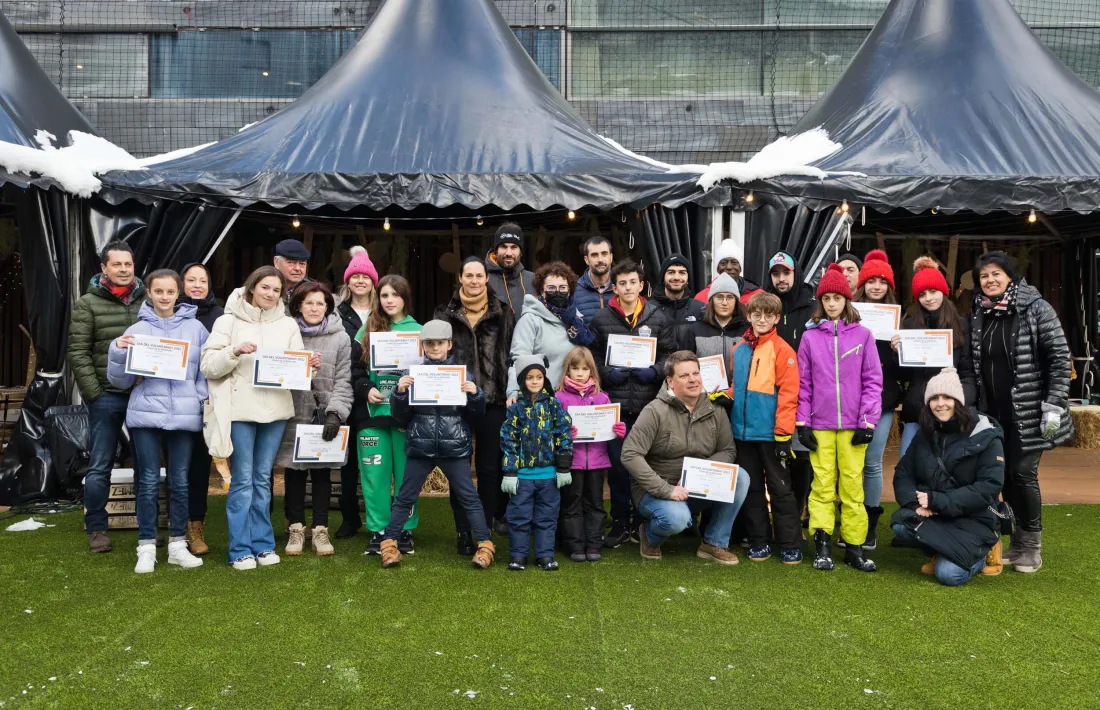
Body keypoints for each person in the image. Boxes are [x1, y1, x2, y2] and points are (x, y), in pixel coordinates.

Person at [202, 266, 317, 570]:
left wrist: (310, 367)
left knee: (263, 479)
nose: (270, 294)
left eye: (276, 290)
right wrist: (234, 351)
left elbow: (295, 372)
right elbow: (208, 366)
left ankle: (263, 544)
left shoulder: (288, 325)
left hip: (276, 412)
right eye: (265, 287)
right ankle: (239, 548)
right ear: (252, 286)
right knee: (242, 480)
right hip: (240, 411)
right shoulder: (228, 321)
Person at [968, 251, 1073, 573]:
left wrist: (1054, 404)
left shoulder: (1036, 309)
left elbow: (1059, 358)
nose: (990, 280)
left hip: (1030, 412)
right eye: (984, 276)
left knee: (1023, 475)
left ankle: (1032, 546)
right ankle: (1016, 542)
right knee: (1006, 476)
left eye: (996, 274)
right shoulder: (978, 312)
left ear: (1010, 276)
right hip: (994, 413)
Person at [106, 269, 207, 573]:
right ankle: (146, 545)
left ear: (179, 293)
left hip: (184, 415)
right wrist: (118, 351)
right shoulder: (137, 329)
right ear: (148, 292)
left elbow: (205, 372)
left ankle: (177, 544)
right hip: (145, 414)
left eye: (170, 292)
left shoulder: (196, 329)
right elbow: (120, 381)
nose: (165, 297)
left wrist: (198, 396)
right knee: (148, 481)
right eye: (158, 291)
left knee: (180, 481)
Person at [379, 320, 496, 569]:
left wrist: (475, 394)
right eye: (429, 343)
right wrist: (399, 393)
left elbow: (476, 415)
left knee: (469, 497)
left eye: (439, 343)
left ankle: (485, 544)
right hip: (420, 445)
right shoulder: (411, 374)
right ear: (423, 346)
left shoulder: (463, 374)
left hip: (454, 446)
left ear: (449, 345)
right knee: (404, 497)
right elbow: (400, 416)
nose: (434, 348)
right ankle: (389, 544)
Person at [621, 351, 750, 564]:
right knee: (676, 519)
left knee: (740, 477)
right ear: (670, 382)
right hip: (655, 488)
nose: (693, 380)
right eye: (684, 376)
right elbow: (630, 454)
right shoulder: (654, 410)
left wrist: (698, 473)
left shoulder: (715, 408)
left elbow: (728, 451)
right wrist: (666, 489)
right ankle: (650, 536)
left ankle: (713, 542)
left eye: (696, 373)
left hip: (693, 486)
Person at [796, 264, 881, 573]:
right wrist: (802, 422)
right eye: (826, 298)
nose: (832, 303)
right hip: (820, 425)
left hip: (853, 427)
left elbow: (873, 381)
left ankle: (854, 547)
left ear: (847, 300)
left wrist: (868, 422)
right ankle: (822, 543)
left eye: (837, 297)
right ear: (820, 301)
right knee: (821, 486)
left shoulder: (863, 335)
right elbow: (803, 383)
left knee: (852, 486)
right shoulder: (809, 338)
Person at [891, 368, 1006, 586]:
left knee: (949, 575)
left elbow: (989, 486)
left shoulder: (986, 434)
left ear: (959, 401)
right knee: (901, 525)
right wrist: (915, 504)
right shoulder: (926, 433)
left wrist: (937, 501)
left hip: (974, 517)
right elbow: (903, 473)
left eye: (947, 397)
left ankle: (985, 551)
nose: (940, 403)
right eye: (934, 398)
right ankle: (944, 548)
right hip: (936, 513)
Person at [590, 259, 677, 548]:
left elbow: (669, 355)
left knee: (644, 466)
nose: (628, 287)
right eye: (622, 283)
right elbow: (591, 357)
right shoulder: (602, 318)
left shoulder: (658, 316)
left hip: (647, 406)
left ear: (642, 285)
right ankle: (619, 523)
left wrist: (654, 371)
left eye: (633, 282)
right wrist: (605, 373)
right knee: (616, 466)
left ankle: (641, 521)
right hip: (614, 406)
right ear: (614, 287)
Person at [67, 240, 147, 554]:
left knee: (145, 464)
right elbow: (77, 352)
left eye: (128, 264)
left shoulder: (148, 300)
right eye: (117, 265)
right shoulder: (88, 303)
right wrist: (95, 394)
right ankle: (97, 527)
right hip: (106, 397)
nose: (124, 270)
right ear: (104, 268)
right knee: (101, 464)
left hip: (143, 395)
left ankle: (147, 524)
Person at [435, 257, 516, 552]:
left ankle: (483, 529)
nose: (473, 280)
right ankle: (463, 531)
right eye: (467, 275)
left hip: (493, 400)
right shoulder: (444, 313)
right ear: (460, 277)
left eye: (478, 275)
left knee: (489, 468)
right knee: (459, 468)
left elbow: (510, 354)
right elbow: (435, 355)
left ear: (486, 279)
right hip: (455, 402)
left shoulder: (503, 313)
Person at [274, 283, 354, 557]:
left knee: (322, 474)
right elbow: (276, 372)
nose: (314, 308)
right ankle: (295, 528)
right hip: (291, 412)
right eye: (308, 303)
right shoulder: (285, 333)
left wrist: (336, 413)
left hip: (323, 415)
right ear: (298, 306)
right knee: (294, 473)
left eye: (320, 303)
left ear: (328, 308)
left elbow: (344, 380)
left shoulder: (341, 338)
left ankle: (320, 529)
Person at [728, 291, 802, 564]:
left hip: (772, 435)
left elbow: (789, 395)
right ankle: (759, 541)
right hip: (742, 433)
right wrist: (723, 394)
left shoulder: (784, 351)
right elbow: (737, 387)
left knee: (781, 488)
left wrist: (784, 434)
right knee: (752, 489)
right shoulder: (738, 350)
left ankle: (790, 544)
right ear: (748, 316)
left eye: (768, 315)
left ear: (777, 318)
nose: (761, 319)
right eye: (756, 314)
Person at [354, 275, 421, 554]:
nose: (389, 300)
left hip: (406, 417)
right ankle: (379, 530)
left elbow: (429, 370)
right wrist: (366, 388)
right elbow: (354, 370)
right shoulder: (367, 328)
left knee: (407, 476)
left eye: (395, 295)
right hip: (373, 416)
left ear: (405, 298)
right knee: (375, 476)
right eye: (384, 295)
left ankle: (403, 531)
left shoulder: (418, 330)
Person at [893, 257, 977, 457]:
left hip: (951, 412)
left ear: (944, 292)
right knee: (908, 464)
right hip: (917, 411)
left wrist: (958, 399)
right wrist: (897, 353)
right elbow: (904, 377)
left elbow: (968, 372)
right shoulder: (908, 326)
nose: (929, 298)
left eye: (933, 291)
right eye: (922, 294)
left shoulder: (962, 326)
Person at [849, 250, 904, 550]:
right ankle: (849, 520)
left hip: (882, 401)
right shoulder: (848, 315)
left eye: (883, 281)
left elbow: (905, 370)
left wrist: (900, 351)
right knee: (848, 463)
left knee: (871, 462)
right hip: (848, 399)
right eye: (871, 280)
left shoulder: (900, 319)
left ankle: (869, 524)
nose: (877, 286)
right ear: (863, 283)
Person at [500, 355, 574, 571]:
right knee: (519, 517)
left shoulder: (553, 405)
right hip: (522, 478)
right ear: (522, 380)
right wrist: (510, 472)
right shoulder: (516, 408)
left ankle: (544, 555)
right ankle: (518, 556)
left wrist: (563, 467)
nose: (534, 381)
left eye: (539, 377)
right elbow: (508, 440)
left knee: (547, 517)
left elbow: (564, 434)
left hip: (549, 476)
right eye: (530, 377)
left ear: (544, 379)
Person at [554, 346, 626, 563]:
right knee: (572, 503)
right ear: (567, 370)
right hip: (572, 462)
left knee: (595, 502)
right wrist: (564, 433)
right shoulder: (559, 397)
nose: (579, 373)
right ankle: (575, 545)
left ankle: (593, 543)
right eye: (575, 368)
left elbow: (609, 427)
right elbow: (552, 429)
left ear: (592, 372)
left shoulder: (602, 398)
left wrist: (618, 431)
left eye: (584, 369)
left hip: (596, 461)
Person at [764, 250, 816, 527]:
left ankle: (797, 516)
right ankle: (777, 516)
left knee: (800, 458)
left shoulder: (812, 305)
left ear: (796, 274)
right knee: (773, 457)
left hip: (803, 393)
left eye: (786, 273)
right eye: (776, 273)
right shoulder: (765, 303)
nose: (781, 278)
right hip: (769, 391)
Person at [333, 246, 380, 539]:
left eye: (365, 276)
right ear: (348, 282)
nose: (360, 281)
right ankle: (350, 517)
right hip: (344, 390)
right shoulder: (338, 313)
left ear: (373, 282)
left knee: (374, 456)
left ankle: (381, 514)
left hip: (376, 392)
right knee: (347, 460)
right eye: (355, 276)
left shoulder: (383, 310)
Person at [178, 263, 224, 556]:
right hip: (172, 404)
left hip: (207, 404)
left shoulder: (220, 317)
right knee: (176, 469)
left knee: (198, 469)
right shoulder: (168, 313)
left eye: (202, 280)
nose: (197, 285)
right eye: (191, 280)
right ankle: (172, 527)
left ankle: (196, 526)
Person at [506, 261, 594, 403]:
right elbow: (519, 358)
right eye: (551, 288)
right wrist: (513, 391)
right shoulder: (530, 320)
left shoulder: (575, 320)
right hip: (541, 401)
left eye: (563, 287)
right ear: (542, 290)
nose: (557, 292)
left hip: (573, 400)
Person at [681, 273, 745, 359]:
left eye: (729, 297)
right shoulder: (695, 330)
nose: (724, 303)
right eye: (719, 297)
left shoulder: (748, 330)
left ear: (736, 301)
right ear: (712, 301)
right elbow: (685, 363)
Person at [653, 253, 706, 349]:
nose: (676, 277)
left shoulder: (700, 310)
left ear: (688, 278)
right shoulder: (648, 309)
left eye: (682, 272)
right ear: (663, 277)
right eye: (671, 272)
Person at [485, 222, 536, 317]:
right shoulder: (483, 280)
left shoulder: (534, 280)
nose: (508, 253)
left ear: (521, 252)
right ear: (495, 251)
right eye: (503, 247)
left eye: (514, 247)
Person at [694, 238, 758, 303]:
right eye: (723, 263)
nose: (729, 267)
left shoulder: (758, 297)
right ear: (717, 268)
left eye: (734, 262)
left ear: (740, 268)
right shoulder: (702, 298)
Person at [574, 235, 614, 323]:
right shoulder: (574, 291)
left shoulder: (623, 288)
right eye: (594, 255)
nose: (600, 259)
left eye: (604, 254)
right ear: (586, 260)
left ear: (611, 257)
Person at [274, 239, 315, 304]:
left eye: (302, 263)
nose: (297, 268)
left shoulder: (314, 291)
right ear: (276, 262)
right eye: (291, 262)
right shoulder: (265, 289)